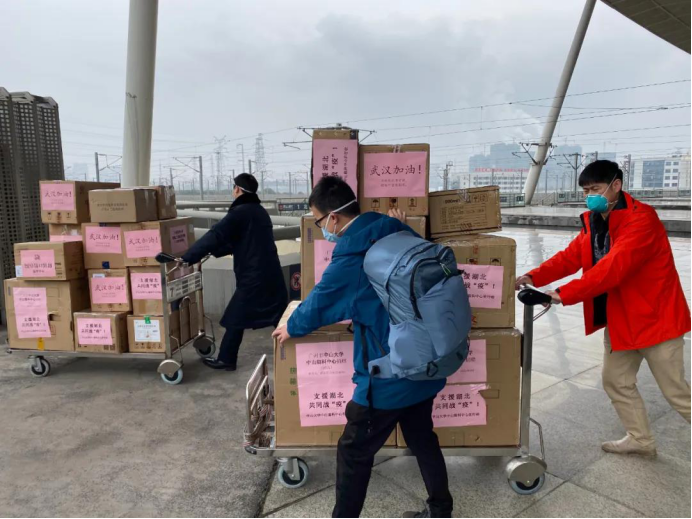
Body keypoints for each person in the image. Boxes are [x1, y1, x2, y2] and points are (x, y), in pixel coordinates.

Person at [273, 177, 453, 519]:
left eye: (319, 221)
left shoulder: (354, 253)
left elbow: (321, 302)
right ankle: (441, 510)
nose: (323, 230)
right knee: (422, 438)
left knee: (353, 452)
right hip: (428, 361)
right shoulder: (397, 231)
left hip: (389, 375)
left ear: (333, 218)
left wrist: (291, 327)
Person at [517, 160, 691, 457]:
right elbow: (570, 256)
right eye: (585, 190)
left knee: (676, 392)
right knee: (616, 382)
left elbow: (614, 267)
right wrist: (533, 276)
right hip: (621, 319)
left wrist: (563, 293)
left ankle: (640, 437)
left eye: (595, 188)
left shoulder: (641, 219)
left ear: (616, 185)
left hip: (656, 319)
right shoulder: (595, 220)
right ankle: (640, 439)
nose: (590, 195)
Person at [183, 173, 288, 371]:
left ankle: (227, 359)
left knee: (236, 315)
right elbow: (243, 241)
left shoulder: (240, 212)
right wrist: (217, 251)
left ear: (238, 189)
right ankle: (298, 352)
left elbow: (216, 234)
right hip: (269, 272)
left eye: (233, 187)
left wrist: (188, 256)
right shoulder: (259, 211)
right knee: (277, 316)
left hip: (254, 276)